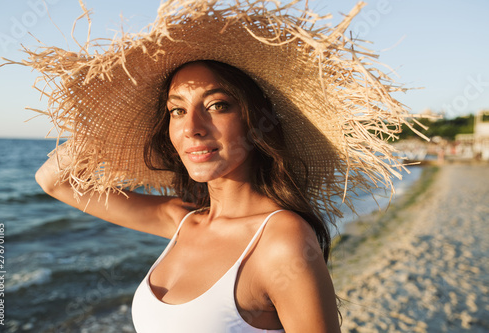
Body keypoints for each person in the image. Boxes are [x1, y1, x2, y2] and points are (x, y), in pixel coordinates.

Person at [28, 0, 412, 332]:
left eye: (217, 106)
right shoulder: (180, 220)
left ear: (256, 120)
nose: (192, 128)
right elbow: (53, 180)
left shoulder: (281, 240)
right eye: (177, 111)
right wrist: (109, 115)